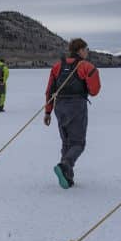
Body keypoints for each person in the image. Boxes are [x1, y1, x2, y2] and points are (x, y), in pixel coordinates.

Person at [43, 38, 101, 188]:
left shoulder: (57, 66)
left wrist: (48, 112)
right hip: (76, 107)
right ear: (80, 50)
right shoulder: (86, 66)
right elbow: (94, 91)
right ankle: (65, 166)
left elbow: (49, 90)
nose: (87, 51)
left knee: (67, 142)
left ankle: (67, 177)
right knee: (78, 143)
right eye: (86, 49)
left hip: (59, 107)